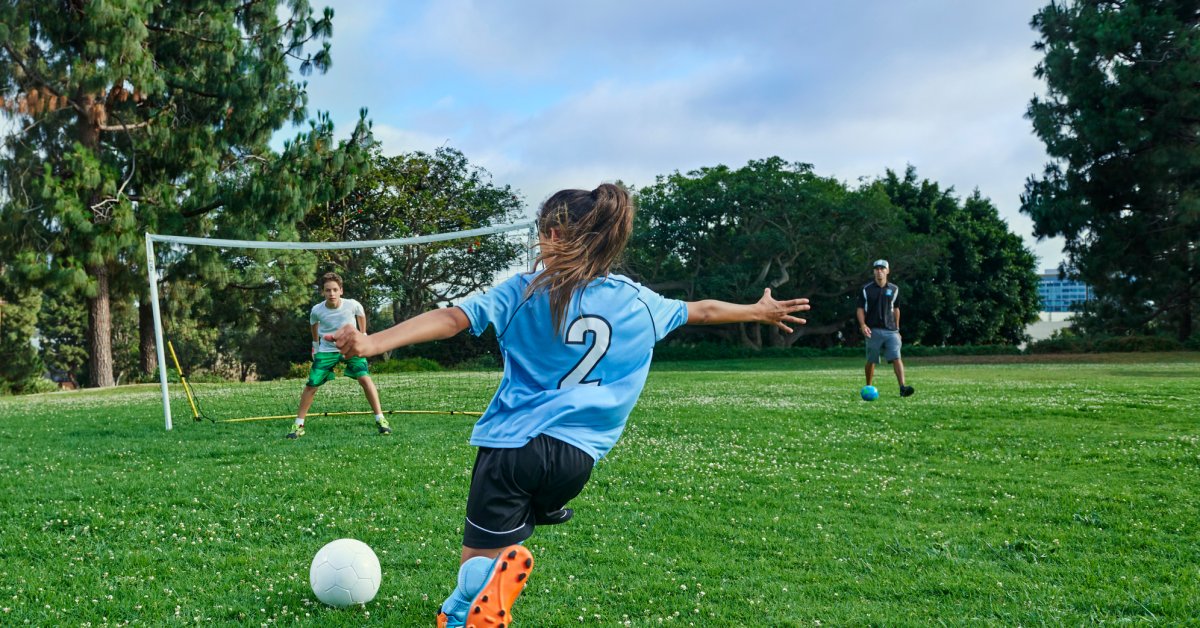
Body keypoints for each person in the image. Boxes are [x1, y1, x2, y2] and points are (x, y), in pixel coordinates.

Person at [326, 184, 811, 627]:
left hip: (511, 450)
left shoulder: (522, 292)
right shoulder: (638, 301)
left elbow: (453, 318)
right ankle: (526, 531)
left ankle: (472, 600)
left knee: (477, 562)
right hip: (577, 460)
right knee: (527, 512)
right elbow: (702, 310)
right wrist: (758, 311)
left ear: (553, 233)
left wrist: (372, 343)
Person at [287, 272, 390, 439]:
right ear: (323, 292)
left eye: (335, 290)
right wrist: (315, 346)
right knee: (311, 385)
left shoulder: (352, 305)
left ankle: (381, 420)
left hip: (351, 348)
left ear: (341, 290)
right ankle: (298, 424)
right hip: (326, 350)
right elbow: (314, 325)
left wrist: (363, 334)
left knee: (365, 379)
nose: (332, 293)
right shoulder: (317, 310)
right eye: (328, 290)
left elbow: (361, 314)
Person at [856, 259, 914, 397]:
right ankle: (868, 387)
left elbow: (896, 310)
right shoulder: (866, 289)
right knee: (872, 360)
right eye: (877, 269)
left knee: (896, 357)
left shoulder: (894, 289)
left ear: (887, 271)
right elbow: (860, 309)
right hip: (873, 329)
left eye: (882, 268)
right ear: (874, 272)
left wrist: (897, 329)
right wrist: (863, 325)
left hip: (891, 330)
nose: (879, 271)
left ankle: (902, 388)